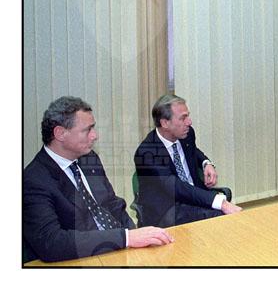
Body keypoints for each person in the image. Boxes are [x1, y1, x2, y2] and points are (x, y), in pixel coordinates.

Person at [23, 96, 174, 263]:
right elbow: (51, 243)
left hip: (120, 252)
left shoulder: (89, 158)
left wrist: (135, 238)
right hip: (81, 260)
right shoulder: (34, 180)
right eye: (87, 130)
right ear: (60, 133)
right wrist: (126, 238)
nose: (94, 136)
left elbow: (113, 204)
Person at [134, 94, 242, 228]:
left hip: (193, 198)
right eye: (183, 118)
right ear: (165, 123)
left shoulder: (186, 134)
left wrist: (206, 163)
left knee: (229, 218)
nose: (189, 122)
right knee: (222, 218)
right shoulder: (147, 153)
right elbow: (176, 187)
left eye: (188, 116)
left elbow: (193, 151)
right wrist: (220, 202)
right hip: (168, 210)